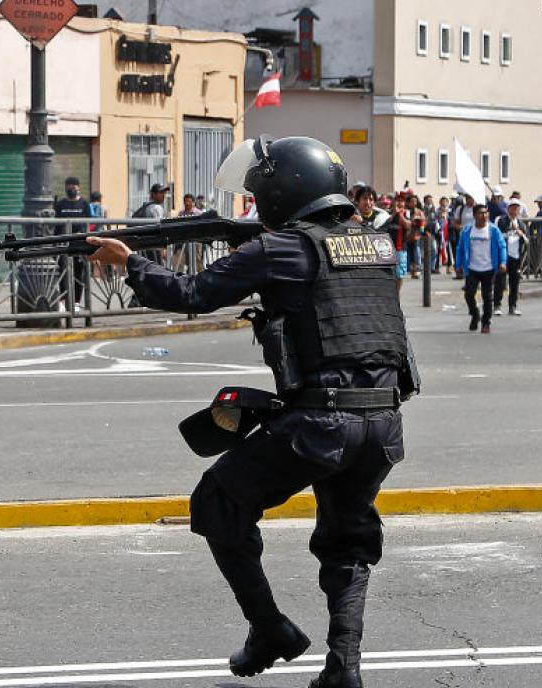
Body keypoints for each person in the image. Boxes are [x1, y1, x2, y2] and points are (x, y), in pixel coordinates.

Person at [86, 136, 418, 688]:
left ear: (281, 191)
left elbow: (192, 293)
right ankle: (345, 669)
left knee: (218, 502)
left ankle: (269, 630)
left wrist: (131, 263)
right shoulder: (375, 244)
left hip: (321, 423)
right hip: (382, 422)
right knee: (347, 540)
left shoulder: (281, 249)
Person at [454, 204, 507, 333]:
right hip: (472, 268)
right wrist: (458, 265)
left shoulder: (493, 230)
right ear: (474, 215)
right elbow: (460, 249)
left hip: (489, 268)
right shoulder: (467, 231)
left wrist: (503, 262)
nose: (484, 216)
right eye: (480, 213)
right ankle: (475, 314)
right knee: (469, 294)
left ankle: (486, 322)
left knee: (487, 296)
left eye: (486, 213)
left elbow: (502, 247)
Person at [54, 176, 93, 306]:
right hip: (62, 244)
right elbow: (55, 225)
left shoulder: (84, 204)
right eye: (68, 187)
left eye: (73, 187)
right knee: (62, 273)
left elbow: (91, 223)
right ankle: (64, 300)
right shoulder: (60, 204)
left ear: (78, 188)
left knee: (78, 273)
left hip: (79, 244)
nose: (71, 189)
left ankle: (76, 302)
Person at [494, 199, 525, 316]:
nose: (515, 210)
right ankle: (497, 305)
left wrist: (520, 233)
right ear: (508, 209)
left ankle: (513, 306)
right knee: (500, 282)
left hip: (516, 257)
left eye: (517, 208)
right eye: (512, 207)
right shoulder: (501, 220)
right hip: (504, 257)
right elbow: (497, 237)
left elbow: (526, 240)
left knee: (514, 283)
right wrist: (509, 230)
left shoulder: (521, 224)